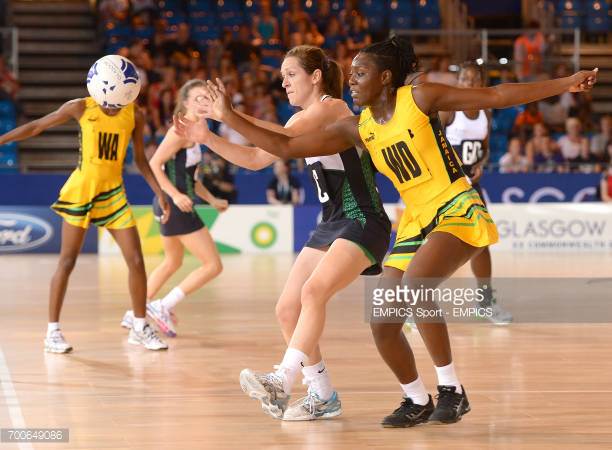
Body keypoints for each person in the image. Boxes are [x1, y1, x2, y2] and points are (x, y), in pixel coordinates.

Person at [176, 36, 597, 427]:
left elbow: (497, 96)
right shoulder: (358, 126)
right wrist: (225, 119)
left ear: (385, 78)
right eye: (352, 73)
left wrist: (566, 83)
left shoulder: (420, 97)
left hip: (454, 205)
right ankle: (416, 398)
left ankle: (451, 388)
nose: (352, 81)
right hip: (414, 218)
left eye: (360, 74)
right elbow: (283, 147)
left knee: (416, 285)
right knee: (383, 319)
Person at [181, 45, 391, 421]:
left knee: (313, 291)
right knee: (286, 309)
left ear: (315, 77)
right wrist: (210, 135)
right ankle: (323, 394)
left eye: (290, 74)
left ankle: (283, 377)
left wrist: (229, 114)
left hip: (362, 219)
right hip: (332, 223)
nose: (283, 82)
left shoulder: (332, 108)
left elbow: (281, 138)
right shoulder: (301, 121)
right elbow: (255, 157)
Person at [0, 95, 172, 352]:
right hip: (82, 190)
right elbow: (37, 126)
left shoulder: (134, 114)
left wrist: (159, 191)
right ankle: (52, 332)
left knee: (136, 260)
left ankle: (139, 326)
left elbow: (139, 159)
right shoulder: (80, 106)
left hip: (114, 193)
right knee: (67, 262)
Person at [121, 80, 228, 337]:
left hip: (169, 203)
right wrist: (176, 195)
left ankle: (133, 313)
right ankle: (162, 306)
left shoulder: (198, 130)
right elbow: (154, 163)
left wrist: (212, 200)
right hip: (173, 204)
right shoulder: (178, 131)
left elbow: (192, 178)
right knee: (213, 265)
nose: (205, 102)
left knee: (172, 261)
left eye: (207, 97)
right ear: (186, 103)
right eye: (199, 98)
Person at [439, 62, 512, 325]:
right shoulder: (448, 110)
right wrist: (452, 167)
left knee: (482, 242)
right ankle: (414, 304)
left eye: (474, 80)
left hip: (471, 184)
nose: (469, 84)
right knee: (428, 246)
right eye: (465, 79)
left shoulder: (485, 112)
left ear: (481, 83)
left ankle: (484, 302)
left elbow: (485, 148)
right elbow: (433, 145)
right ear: (458, 83)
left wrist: (481, 163)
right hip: (446, 186)